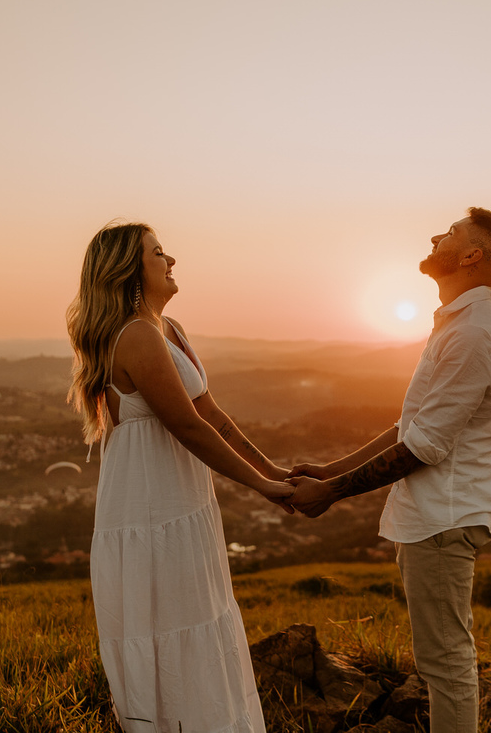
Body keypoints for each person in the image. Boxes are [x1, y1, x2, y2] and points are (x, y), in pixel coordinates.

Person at [288, 207, 491, 733]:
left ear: (470, 256)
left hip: (444, 516)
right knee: (441, 659)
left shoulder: (474, 335)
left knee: (446, 664)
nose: (437, 235)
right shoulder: (458, 325)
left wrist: (331, 494)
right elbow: (409, 426)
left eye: (451, 233)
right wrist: (331, 471)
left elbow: (424, 447)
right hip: (435, 516)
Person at [67, 221, 294, 733]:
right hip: (151, 508)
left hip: (182, 504)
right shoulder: (135, 337)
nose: (172, 261)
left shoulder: (170, 330)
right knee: (170, 626)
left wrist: (272, 470)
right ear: (130, 270)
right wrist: (264, 488)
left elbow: (213, 415)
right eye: (159, 253)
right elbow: (187, 426)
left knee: (200, 619)